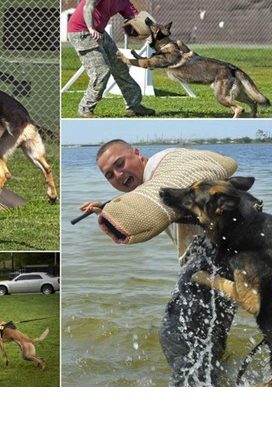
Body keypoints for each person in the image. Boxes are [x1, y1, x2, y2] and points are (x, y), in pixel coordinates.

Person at [79, 139, 236, 386]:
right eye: (110, 174)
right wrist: (112, 207)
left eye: (120, 164)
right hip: (228, 263)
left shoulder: (168, 162)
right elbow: (155, 202)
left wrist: (120, 207)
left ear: (138, 154)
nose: (118, 175)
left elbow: (173, 187)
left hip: (215, 260)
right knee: (208, 343)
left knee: (176, 336)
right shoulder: (155, 184)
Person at [67, 0, 155, 118]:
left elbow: (135, 19)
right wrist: (91, 28)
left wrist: (152, 33)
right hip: (81, 31)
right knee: (102, 71)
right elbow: (89, 7)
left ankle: (133, 106)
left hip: (98, 32)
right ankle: (85, 108)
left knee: (120, 66)